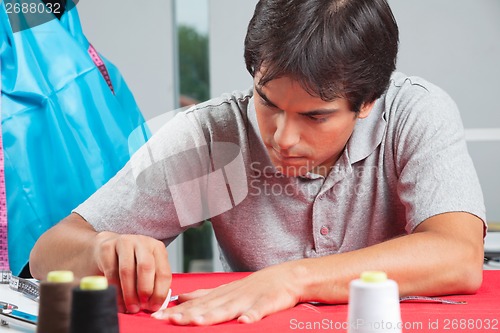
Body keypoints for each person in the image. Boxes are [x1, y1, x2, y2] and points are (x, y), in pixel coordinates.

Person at [30, 0, 486, 326]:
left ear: (367, 102)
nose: (282, 138)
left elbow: (458, 255)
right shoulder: (215, 139)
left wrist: (289, 280)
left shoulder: (413, 114)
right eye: (266, 102)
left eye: (314, 116)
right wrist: (100, 250)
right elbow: (49, 253)